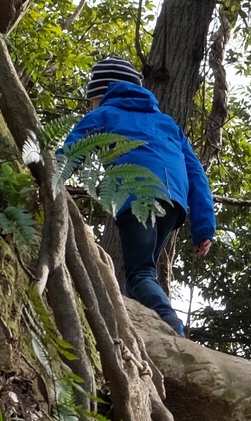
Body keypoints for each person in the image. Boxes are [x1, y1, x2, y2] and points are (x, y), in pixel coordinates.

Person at [63, 55, 215, 334]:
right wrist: (204, 228)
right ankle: (143, 327)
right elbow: (196, 174)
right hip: (174, 204)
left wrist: (48, 175)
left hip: (138, 196)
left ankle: (173, 328)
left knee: (141, 273)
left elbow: (73, 151)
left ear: (103, 92)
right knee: (142, 273)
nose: (91, 106)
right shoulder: (167, 123)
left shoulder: (104, 114)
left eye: (92, 99)